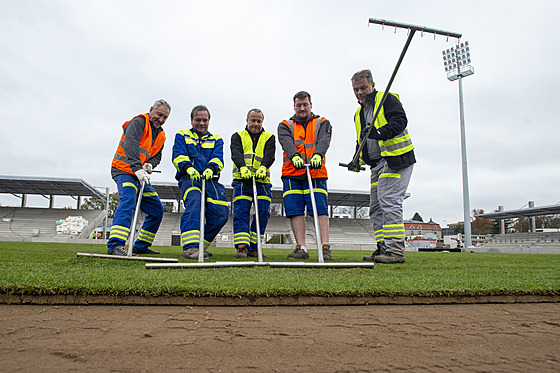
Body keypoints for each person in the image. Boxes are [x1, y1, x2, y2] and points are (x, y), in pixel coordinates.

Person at [348, 69, 415, 264]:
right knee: (375, 208)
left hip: (395, 160)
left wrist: (380, 132)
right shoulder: (358, 114)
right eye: (356, 89)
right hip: (376, 166)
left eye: (363, 88)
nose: (360, 92)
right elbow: (362, 140)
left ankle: (395, 251)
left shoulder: (387, 99)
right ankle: (383, 248)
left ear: (372, 86)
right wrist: (356, 159)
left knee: (389, 200)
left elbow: (400, 122)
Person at [107, 99, 170, 256]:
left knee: (156, 209)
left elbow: (157, 157)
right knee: (128, 201)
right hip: (123, 170)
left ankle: (140, 245)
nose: (160, 119)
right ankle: (115, 245)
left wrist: (150, 165)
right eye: (159, 114)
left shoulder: (161, 135)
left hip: (140, 176)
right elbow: (130, 146)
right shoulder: (138, 122)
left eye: (164, 117)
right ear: (151, 110)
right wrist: (137, 169)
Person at [277, 91, 332, 260]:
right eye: (299, 105)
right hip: (292, 173)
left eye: (305, 104)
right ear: (294, 106)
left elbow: (324, 139)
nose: (302, 108)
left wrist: (318, 154)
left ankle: (325, 247)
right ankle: (302, 248)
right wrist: (295, 156)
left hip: (316, 172)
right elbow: (286, 142)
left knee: (320, 209)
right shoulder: (285, 124)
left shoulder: (322, 122)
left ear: (311, 105)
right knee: (295, 210)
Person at [172, 105, 228, 259]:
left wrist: (211, 168)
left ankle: (200, 246)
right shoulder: (182, 135)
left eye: (204, 120)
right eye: (198, 120)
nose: (201, 123)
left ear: (209, 121)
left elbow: (218, 158)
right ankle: (190, 248)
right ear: (191, 120)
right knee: (195, 203)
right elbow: (179, 155)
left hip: (211, 180)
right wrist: (188, 168)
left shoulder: (217, 139)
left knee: (221, 213)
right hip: (189, 178)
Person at [231, 109, 276, 258]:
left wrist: (263, 167)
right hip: (242, 181)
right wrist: (242, 167)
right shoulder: (237, 136)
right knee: (241, 212)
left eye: (259, 121)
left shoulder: (269, 137)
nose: (256, 124)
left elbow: (270, 155)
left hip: (262, 182)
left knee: (263, 212)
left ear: (262, 122)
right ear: (247, 120)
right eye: (253, 120)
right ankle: (242, 247)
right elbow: (236, 153)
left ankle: (255, 247)